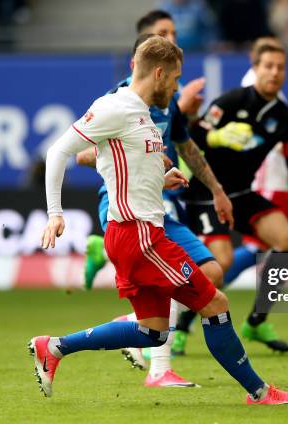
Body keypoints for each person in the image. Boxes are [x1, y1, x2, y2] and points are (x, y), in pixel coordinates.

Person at [29, 35, 288, 406]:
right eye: (175, 79)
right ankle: (259, 392)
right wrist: (55, 213)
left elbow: (120, 168)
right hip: (139, 236)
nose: (178, 87)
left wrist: (162, 178)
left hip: (135, 234)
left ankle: (54, 347)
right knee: (216, 304)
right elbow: (59, 150)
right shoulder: (116, 107)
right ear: (159, 74)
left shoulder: (144, 114)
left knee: (153, 333)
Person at [78, 11, 237, 389]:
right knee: (201, 279)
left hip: (160, 202)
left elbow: (187, 147)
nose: (172, 40)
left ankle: (136, 333)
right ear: (144, 53)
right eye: (162, 34)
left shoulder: (171, 101)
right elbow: (83, 152)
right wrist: (141, 160)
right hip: (128, 205)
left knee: (210, 272)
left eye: (174, 33)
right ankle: (158, 365)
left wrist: (216, 190)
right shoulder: (121, 100)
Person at [181, 41, 288, 353]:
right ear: (255, 69)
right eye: (268, 66)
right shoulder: (233, 100)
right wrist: (216, 135)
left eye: (281, 67)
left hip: (241, 192)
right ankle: (181, 329)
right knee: (220, 264)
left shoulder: (286, 118)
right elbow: (191, 135)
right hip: (207, 192)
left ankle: (255, 321)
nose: (275, 73)